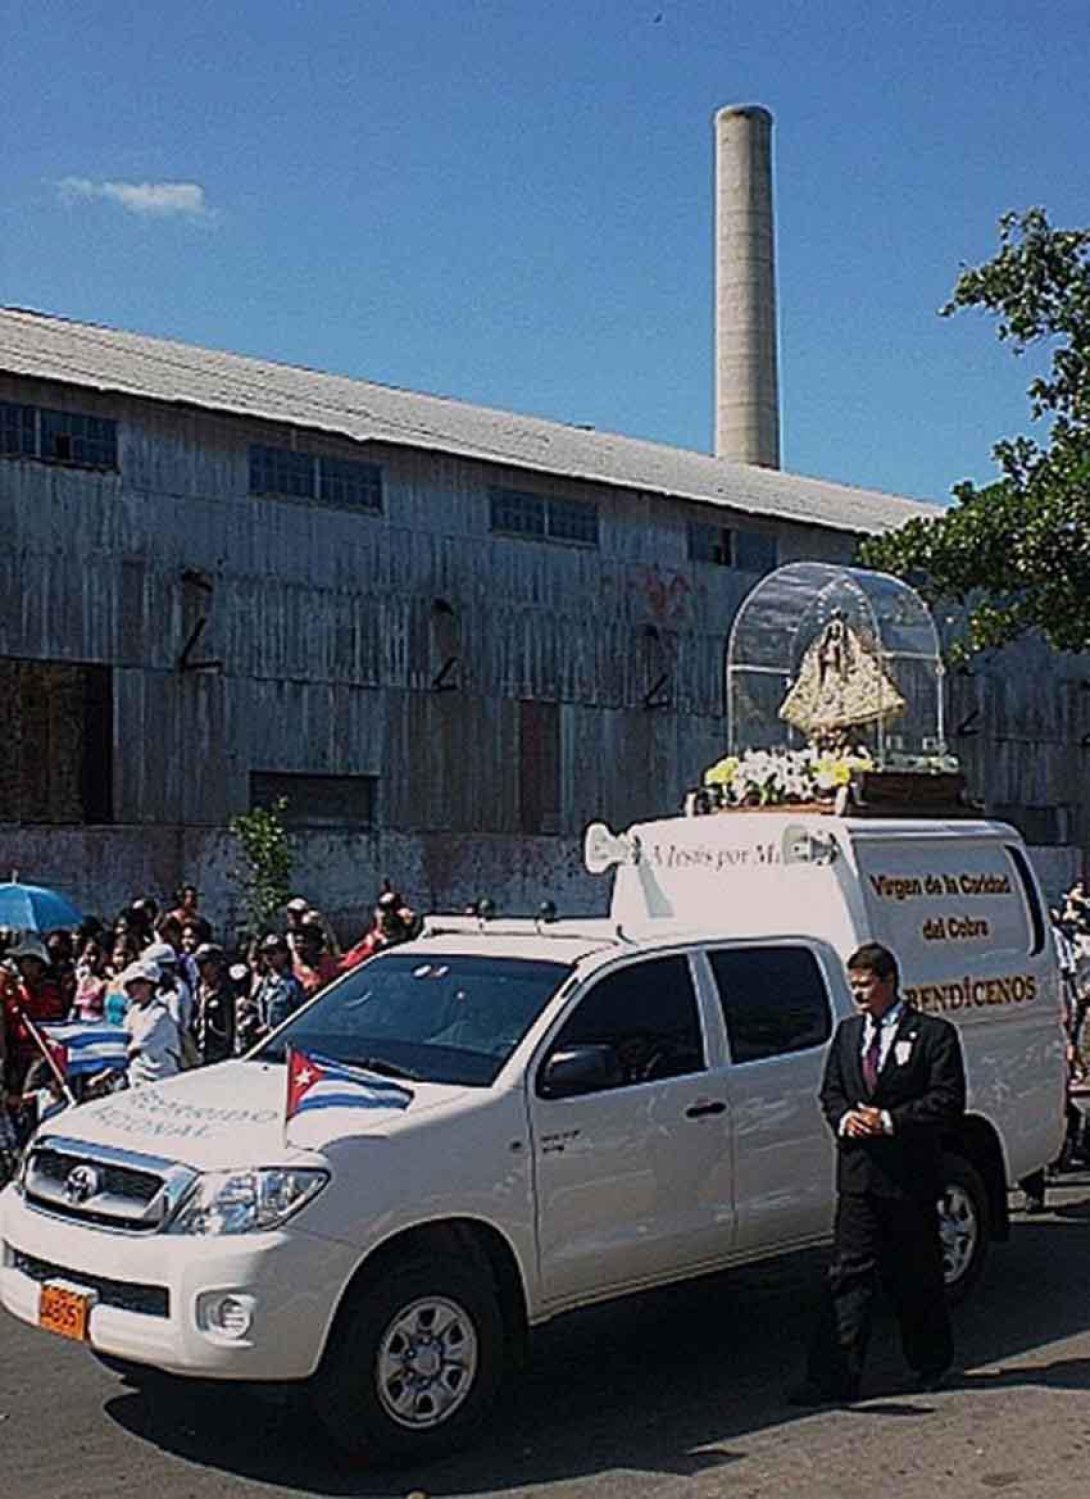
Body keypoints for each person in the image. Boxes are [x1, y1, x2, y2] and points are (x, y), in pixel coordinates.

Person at [790, 941, 967, 1405]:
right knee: (849, 1274)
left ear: (890, 982)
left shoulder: (933, 1035)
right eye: (854, 986)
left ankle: (930, 1363)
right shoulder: (848, 1035)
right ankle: (834, 1376)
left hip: (909, 1176)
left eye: (866, 985)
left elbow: (948, 1102)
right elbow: (831, 1093)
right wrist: (845, 1118)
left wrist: (890, 1121)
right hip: (858, 1177)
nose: (859, 995)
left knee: (916, 1273)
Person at [121, 957, 182, 1087]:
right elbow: (124, 1036)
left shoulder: (160, 1014)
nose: (133, 988)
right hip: (136, 1076)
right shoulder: (133, 1012)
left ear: (150, 985)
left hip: (161, 1078)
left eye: (138, 983)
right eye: (130, 984)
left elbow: (138, 1045)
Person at [239, 934, 308, 1049]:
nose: (268, 957)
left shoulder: (292, 985)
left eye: (273, 952)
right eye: (265, 953)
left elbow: (299, 1018)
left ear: (284, 954)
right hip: (263, 1044)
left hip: (284, 1044)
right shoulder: (264, 983)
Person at [193, 943, 237, 1064]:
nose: (200, 968)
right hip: (200, 1050)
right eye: (198, 964)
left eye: (204, 963)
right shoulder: (198, 988)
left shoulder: (227, 992)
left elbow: (231, 1027)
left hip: (221, 1052)